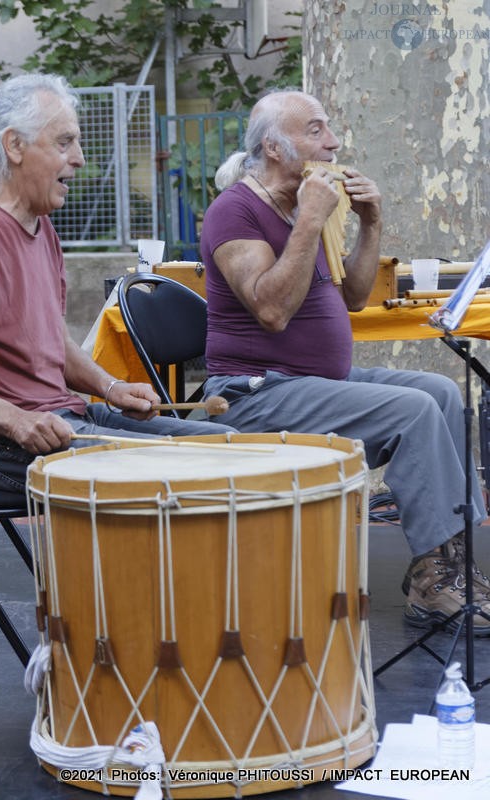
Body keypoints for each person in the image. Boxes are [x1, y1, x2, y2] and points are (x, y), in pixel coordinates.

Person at [199, 88, 490, 633]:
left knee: (438, 391)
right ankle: (438, 576)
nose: (332, 143)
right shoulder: (235, 210)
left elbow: (354, 297)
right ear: (275, 148)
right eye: (316, 130)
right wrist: (309, 220)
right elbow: (269, 310)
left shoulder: (303, 207)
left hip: (313, 383)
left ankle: (447, 563)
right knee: (412, 412)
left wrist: (370, 222)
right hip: (254, 394)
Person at [0, 73, 233, 494]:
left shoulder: (42, 226)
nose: (80, 158)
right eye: (64, 142)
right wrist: (16, 419)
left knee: (225, 447)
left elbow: (50, 339)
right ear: (14, 145)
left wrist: (111, 388)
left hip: (64, 416)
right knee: (180, 474)